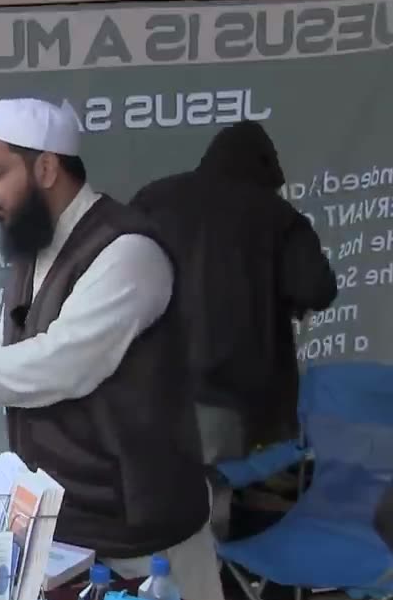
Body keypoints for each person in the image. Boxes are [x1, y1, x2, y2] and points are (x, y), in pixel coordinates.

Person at [0, 98, 233, 600]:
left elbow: (61, 364)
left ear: (46, 168)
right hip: (72, 520)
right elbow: (12, 341)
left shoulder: (128, 251)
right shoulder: (38, 245)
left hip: (140, 526)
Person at [130, 121, 337, 464]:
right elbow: (316, 289)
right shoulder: (278, 217)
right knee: (220, 494)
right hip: (233, 393)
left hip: (150, 383)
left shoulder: (155, 199)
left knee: (155, 494)